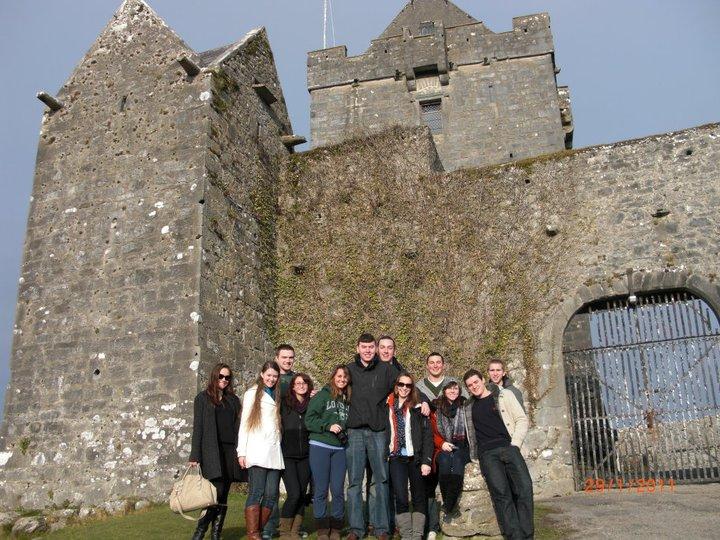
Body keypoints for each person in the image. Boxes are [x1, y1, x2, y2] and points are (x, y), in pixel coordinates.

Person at [463, 369, 532, 540]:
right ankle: (515, 537)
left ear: (483, 380)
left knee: (524, 489)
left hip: (509, 448)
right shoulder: (468, 407)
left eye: (476, 382)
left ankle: (527, 535)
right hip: (487, 455)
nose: (474, 387)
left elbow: (521, 419)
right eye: (470, 385)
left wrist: (515, 445)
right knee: (502, 495)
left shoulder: (504, 395)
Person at [345, 333, 400, 540]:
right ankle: (356, 529)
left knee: (380, 480)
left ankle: (381, 528)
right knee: (354, 482)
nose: (367, 350)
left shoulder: (386, 369)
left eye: (371, 347)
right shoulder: (349, 370)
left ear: (375, 349)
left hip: (378, 431)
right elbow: (334, 387)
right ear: (358, 348)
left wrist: (420, 402)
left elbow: (404, 385)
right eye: (364, 347)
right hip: (355, 431)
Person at [189, 363, 245, 540]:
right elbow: (198, 428)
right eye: (221, 376)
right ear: (214, 377)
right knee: (214, 494)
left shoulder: (233, 400)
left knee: (224, 495)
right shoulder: (203, 398)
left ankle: (216, 534)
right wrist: (194, 455)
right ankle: (199, 533)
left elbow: (239, 427)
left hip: (230, 452)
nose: (224, 380)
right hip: (212, 451)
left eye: (227, 377)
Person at [415, 352, 462, 539]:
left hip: (448, 442)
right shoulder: (419, 386)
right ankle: (430, 525)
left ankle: (447, 514)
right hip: (428, 440)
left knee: (447, 475)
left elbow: (465, 404)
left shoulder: (452, 384)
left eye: (438, 362)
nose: (435, 365)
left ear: (443, 364)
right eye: (431, 363)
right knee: (427, 485)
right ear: (427, 365)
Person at [237, 361, 285, 540]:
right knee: (256, 492)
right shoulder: (251, 394)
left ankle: (258, 529)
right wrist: (241, 451)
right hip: (257, 450)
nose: (271, 379)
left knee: (272, 494)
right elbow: (244, 424)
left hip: (273, 451)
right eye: (269, 375)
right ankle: (253, 534)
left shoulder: (277, 394)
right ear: (262, 374)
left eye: (275, 376)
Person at [305, 365, 351, 540]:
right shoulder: (322, 396)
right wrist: (327, 426)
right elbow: (309, 420)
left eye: (345, 377)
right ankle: (323, 529)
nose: (342, 379)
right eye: (339, 376)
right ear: (333, 377)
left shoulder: (346, 400)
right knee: (321, 490)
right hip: (320, 446)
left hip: (340, 449)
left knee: (338, 489)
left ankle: (337, 528)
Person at [386, 372, 433, 540]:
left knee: (419, 495)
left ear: (412, 388)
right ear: (396, 386)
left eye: (408, 385)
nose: (404, 388)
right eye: (401, 384)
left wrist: (427, 461)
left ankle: (417, 534)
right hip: (396, 457)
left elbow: (428, 436)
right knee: (400, 495)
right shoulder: (387, 405)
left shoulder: (418, 407)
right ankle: (406, 534)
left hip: (416, 457)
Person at [279, 373, 313, 539]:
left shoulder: (312, 405)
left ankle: (295, 530)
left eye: (304, 383)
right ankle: (284, 531)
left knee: (301, 493)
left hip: (306, 456)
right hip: (287, 455)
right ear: (292, 386)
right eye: (298, 383)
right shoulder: (285, 404)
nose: (301, 385)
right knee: (294, 493)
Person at [430, 381, 470, 522]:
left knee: (458, 460)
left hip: (462, 446)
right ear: (444, 391)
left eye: (456, 389)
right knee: (445, 460)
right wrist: (442, 443)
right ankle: (450, 503)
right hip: (443, 445)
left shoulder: (465, 405)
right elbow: (431, 432)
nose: (453, 391)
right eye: (449, 389)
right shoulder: (435, 407)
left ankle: (448, 503)